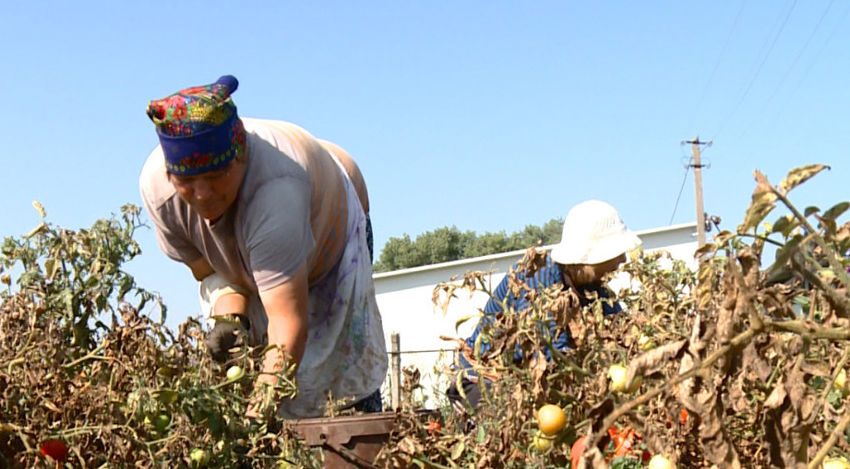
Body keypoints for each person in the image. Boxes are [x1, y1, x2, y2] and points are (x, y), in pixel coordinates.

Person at [139, 75, 387, 419]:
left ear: (240, 155)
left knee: (342, 379)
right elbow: (210, 270)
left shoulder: (276, 194)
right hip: (268, 238)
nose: (202, 195)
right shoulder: (161, 194)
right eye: (187, 181)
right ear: (170, 174)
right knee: (251, 364)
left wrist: (253, 423)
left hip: (335, 224)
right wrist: (231, 318)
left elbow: (288, 325)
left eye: (216, 176)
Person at [448, 200, 640, 411]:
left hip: (525, 383)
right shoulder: (539, 279)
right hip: (482, 380)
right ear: (589, 257)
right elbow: (551, 357)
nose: (623, 259)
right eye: (616, 253)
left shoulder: (596, 291)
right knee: (503, 419)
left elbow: (621, 333)